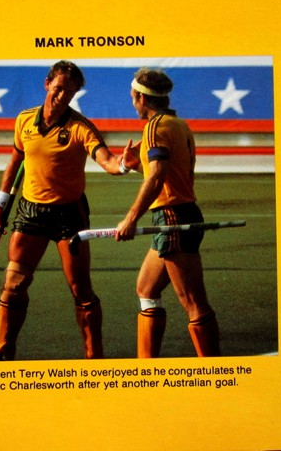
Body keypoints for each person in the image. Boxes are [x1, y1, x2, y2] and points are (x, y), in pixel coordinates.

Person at [0, 60, 137, 361]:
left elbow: (107, 161)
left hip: (69, 215)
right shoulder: (24, 120)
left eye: (69, 92)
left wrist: (123, 165)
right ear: (47, 84)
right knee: (13, 284)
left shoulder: (81, 128)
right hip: (30, 212)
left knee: (80, 289)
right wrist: (0, 204)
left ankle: (94, 358)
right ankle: (2, 354)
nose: (62, 96)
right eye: (58, 88)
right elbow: (15, 162)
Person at [116, 67, 220, 358]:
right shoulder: (177, 124)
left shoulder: (154, 127)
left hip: (173, 217)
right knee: (146, 289)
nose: (133, 103)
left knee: (193, 302)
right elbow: (166, 172)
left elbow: (158, 176)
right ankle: (147, 368)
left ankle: (215, 372)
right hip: (179, 213)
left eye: (133, 97)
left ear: (141, 98)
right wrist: (136, 164)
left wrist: (130, 218)